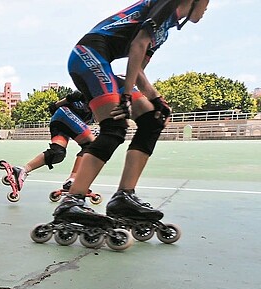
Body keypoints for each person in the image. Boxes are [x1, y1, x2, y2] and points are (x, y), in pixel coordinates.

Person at [53, 0, 210, 224]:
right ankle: (72, 201)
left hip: (101, 61)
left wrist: (157, 99)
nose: (207, 10)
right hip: (88, 55)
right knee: (115, 126)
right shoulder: (166, 5)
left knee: (151, 120)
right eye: (207, 3)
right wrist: (126, 95)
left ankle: (124, 197)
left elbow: (138, 71)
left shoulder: (164, 31)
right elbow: (138, 44)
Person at [2, 90, 96, 197]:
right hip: (65, 114)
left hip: (60, 122)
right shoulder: (95, 95)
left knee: (57, 153)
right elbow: (72, 97)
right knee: (91, 145)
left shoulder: (95, 113)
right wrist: (56, 105)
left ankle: (23, 170)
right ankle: (72, 179)